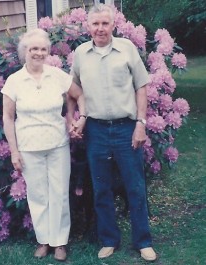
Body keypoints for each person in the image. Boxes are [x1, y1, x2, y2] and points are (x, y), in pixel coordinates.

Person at [70, 4, 157, 262]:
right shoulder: (80, 54)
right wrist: (72, 118)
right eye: (95, 24)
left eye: (104, 23)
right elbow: (72, 87)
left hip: (126, 128)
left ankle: (143, 242)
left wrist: (141, 122)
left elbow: (141, 86)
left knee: (135, 187)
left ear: (113, 25)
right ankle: (109, 239)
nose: (100, 29)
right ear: (88, 27)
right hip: (95, 131)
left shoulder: (127, 49)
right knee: (101, 188)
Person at [2, 28, 85, 261]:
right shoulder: (14, 81)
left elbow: (78, 94)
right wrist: (14, 152)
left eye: (43, 49)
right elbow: (8, 117)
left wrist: (80, 117)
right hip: (28, 147)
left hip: (57, 144)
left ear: (48, 51)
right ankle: (43, 241)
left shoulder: (57, 75)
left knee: (59, 194)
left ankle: (60, 243)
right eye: (33, 49)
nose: (38, 53)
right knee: (38, 195)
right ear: (24, 52)